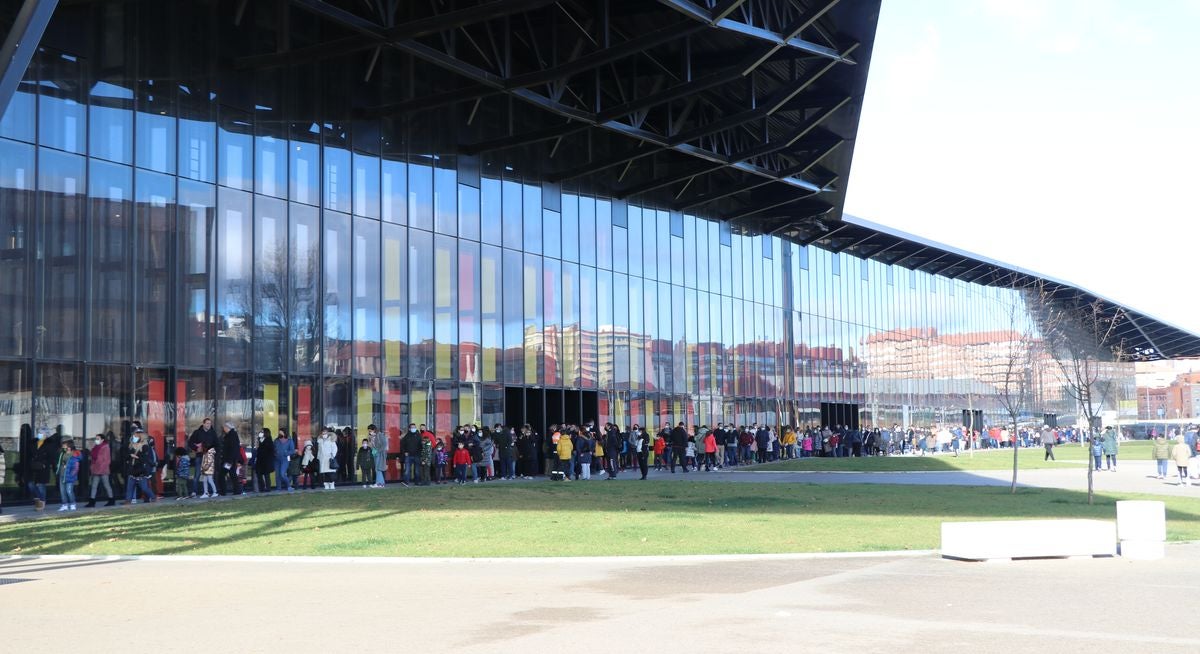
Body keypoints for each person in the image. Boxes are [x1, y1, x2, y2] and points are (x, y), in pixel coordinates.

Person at [125, 430, 157, 504]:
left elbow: (144, 459)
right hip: (132, 469)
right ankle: (128, 500)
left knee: (144, 488)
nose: (134, 437)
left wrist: (135, 457)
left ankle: (153, 497)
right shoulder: (131, 445)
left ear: (140, 437)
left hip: (140, 470)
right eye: (134, 436)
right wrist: (130, 456)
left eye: (136, 436)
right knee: (130, 487)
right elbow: (126, 456)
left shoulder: (145, 446)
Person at [26, 428, 54, 511]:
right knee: (30, 484)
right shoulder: (34, 442)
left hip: (43, 467)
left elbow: (51, 456)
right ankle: (38, 499)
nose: (39, 434)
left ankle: (42, 502)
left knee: (41, 485)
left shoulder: (49, 444)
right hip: (33, 467)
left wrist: (45, 464)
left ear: (46, 435)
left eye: (41, 433)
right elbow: (30, 454)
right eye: (38, 433)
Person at [85, 433, 115, 507]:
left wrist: (102, 468)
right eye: (96, 438)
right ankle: (92, 501)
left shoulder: (105, 447)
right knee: (94, 485)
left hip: (103, 470)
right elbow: (93, 457)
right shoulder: (95, 447)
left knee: (106, 485)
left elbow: (107, 460)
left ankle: (111, 500)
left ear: (102, 439)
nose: (96, 440)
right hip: (96, 469)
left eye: (98, 439)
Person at [220, 422, 244, 495]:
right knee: (232, 474)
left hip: (229, 460)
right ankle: (237, 491)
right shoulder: (232, 435)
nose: (224, 429)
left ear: (228, 428)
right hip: (231, 460)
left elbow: (233, 449)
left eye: (224, 427)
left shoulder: (231, 436)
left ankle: (223, 492)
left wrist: (229, 461)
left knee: (221, 475)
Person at [57, 440, 81, 512]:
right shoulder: (62, 453)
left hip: (69, 475)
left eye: (64, 446)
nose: (63, 447)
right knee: (62, 491)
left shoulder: (74, 454)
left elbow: (76, 467)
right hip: (62, 474)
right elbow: (60, 462)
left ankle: (73, 504)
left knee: (69, 490)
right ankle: (64, 505)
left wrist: (72, 474)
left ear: (69, 447)